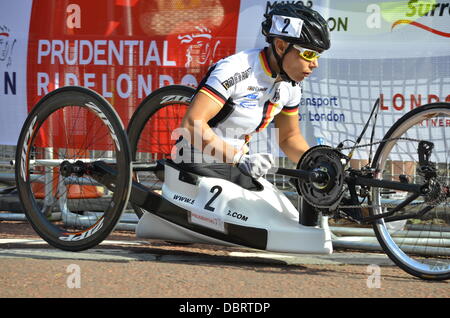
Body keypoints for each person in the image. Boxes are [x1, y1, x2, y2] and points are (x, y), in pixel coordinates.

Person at [173, 3, 330, 224]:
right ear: (281, 45)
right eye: (308, 53)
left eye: (318, 56)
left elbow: (288, 138)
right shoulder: (235, 70)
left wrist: (322, 164)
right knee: (263, 220)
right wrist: (238, 158)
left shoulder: (291, 85)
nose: (314, 63)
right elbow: (191, 125)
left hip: (237, 166)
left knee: (285, 217)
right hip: (196, 157)